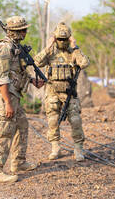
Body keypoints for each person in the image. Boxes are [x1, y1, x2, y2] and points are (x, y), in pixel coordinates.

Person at [0, 16, 45, 183]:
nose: (25, 32)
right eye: (23, 30)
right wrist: (7, 103)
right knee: (3, 132)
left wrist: (32, 81)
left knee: (21, 126)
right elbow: (1, 78)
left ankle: (18, 163)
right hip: (4, 97)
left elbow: (16, 72)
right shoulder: (4, 49)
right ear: (14, 31)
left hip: (14, 96)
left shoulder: (15, 47)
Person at [34, 22, 89, 162]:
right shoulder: (50, 53)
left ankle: (78, 149)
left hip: (69, 93)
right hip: (52, 92)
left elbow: (84, 63)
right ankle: (55, 148)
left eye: (65, 39)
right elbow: (36, 62)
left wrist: (75, 47)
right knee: (53, 121)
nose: (62, 42)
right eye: (59, 39)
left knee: (76, 121)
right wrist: (48, 47)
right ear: (55, 38)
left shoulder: (73, 53)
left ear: (69, 39)